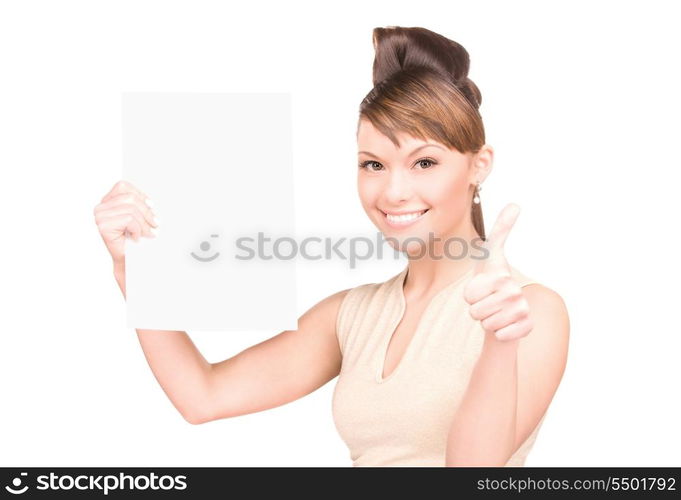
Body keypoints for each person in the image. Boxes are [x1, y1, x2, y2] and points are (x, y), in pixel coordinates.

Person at [93, 26, 569, 467]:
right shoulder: (353, 314)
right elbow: (204, 396)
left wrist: (500, 342)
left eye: (424, 162)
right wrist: (132, 272)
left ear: (479, 165)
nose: (393, 192)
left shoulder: (531, 311)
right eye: (373, 165)